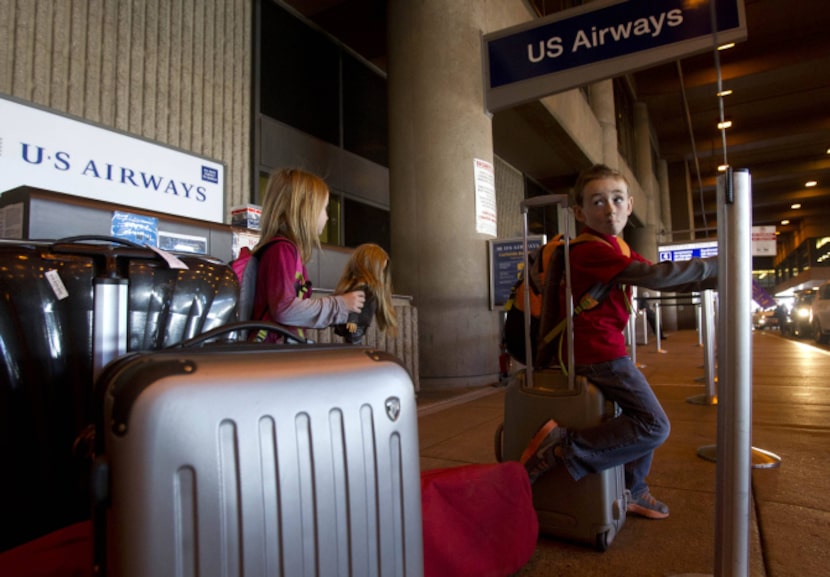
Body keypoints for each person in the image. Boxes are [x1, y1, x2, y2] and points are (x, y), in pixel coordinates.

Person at [521, 164, 718, 520]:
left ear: (629, 206)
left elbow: (662, 278)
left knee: (641, 417)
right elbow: (655, 275)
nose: (608, 208)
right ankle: (566, 448)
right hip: (596, 353)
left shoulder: (616, 248)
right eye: (597, 202)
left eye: (616, 200)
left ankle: (633, 489)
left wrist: (711, 279)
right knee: (654, 425)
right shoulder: (589, 252)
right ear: (580, 212)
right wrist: (713, 268)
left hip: (600, 349)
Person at [250, 168, 365, 343]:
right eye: (324, 208)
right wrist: (339, 305)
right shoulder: (282, 250)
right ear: (305, 210)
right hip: (271, 356)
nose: (327, 217)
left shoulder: (286, 251)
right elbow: (285, 309)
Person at [333, 243, 398, 344]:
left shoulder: (368, 288)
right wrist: (352, 320)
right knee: (354, 344)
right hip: (356, 324)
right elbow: (353, 304)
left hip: (360, 324)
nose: (381, 273)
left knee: (355, 343)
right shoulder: (361, 287)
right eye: (380, 269)